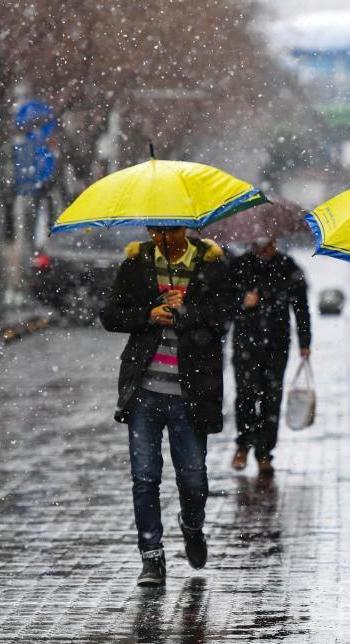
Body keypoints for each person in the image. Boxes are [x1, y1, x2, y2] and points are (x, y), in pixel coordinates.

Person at [99, 226, 237, 587]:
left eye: (172, 227)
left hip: (192, 391)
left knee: (193, 478)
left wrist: (185, 313)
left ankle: (192, 526)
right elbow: (111, 315)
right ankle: (152, 556)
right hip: (144, 390)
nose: (166, 234)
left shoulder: (211, 264)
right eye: (158, 228)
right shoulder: (137, 262)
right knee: (145, 477)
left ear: (186, 227)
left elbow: (225, 313)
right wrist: (149, 314)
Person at [229, 238, 311, 476]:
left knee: (271, 398)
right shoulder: (240, 266)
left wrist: (305, 342)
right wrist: (242, 302)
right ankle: (243, 443)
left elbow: (301, 307)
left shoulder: (288, 266)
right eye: (260, 244)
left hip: (277, 343)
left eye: (269, 243)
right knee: (245, 394)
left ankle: (265, 452)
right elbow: (223, 303)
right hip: (245, 342)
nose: (265, 248)